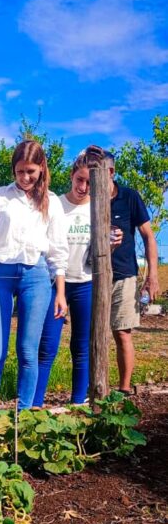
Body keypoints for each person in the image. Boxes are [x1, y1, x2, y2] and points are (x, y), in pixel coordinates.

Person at [0, 140, 69, 411]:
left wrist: (60, 293)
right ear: (13, 170)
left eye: (31, 172)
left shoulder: (52, 203)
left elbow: (58, 253)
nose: (25, 178)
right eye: (20, 172)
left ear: (41, 169)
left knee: (28, 350)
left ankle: (23, 416)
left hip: (36, 276)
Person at [33, 151, 120, 408]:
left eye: (89, 183)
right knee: (46, 346)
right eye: (79, 180)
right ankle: (34, 405)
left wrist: (113, 242)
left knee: (82, 347)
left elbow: (102, 249)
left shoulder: (99, 209)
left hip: (85, 282)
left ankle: (78, 403)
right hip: (54, 282)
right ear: (71, 176)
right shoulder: (55, 204)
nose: (83, 187)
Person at [85, 146, 159, 394]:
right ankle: (95, 388)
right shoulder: (86, 198)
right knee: (92, 336)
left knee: (122, 333)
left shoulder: (129, 197)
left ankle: (124, 389)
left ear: (111, 171)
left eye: (98, 170)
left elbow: (148, 236)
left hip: (124, 274)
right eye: (89, 169)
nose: (93, 176)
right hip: (92, 277)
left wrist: (152, 276)